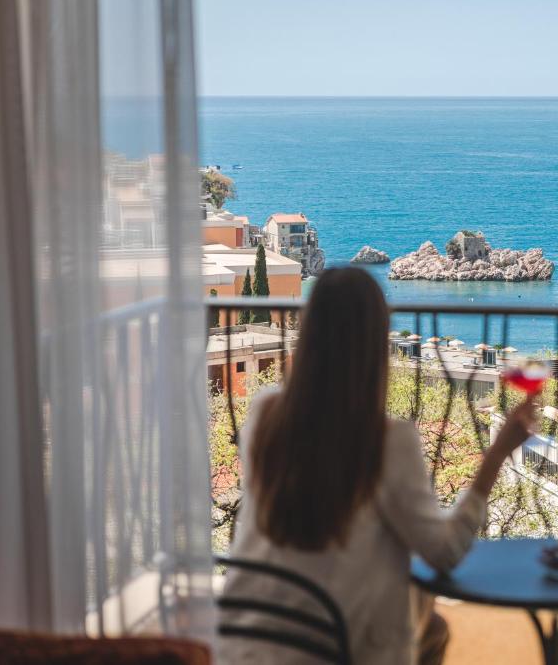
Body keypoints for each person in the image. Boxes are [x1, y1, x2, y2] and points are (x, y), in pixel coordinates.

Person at [219, 267, 537, 665]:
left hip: (242, 644)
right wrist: (498, 452)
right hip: (332, 650)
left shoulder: (264, 415)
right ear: (374, 343)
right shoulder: (387, 442)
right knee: (427, 624)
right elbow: (445, 551)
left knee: (431, 627)